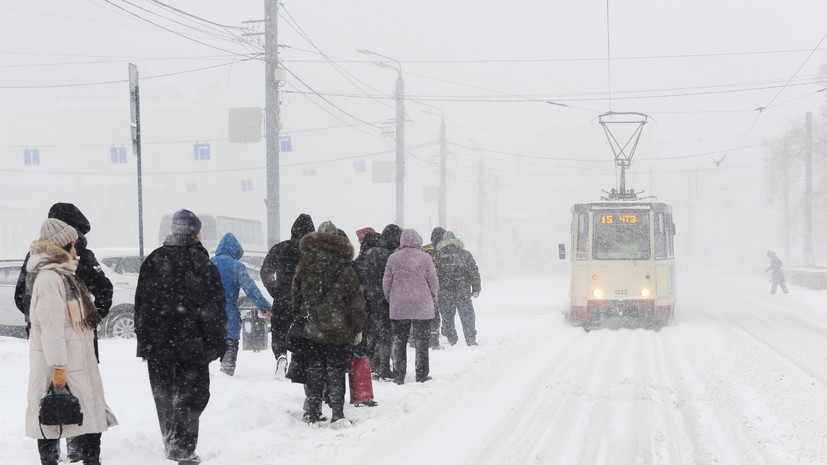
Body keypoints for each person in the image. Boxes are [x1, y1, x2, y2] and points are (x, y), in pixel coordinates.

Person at [15, 203, 114, 463]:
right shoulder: (51, 276)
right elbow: (51, 326)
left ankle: (81, 454)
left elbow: (22, 300)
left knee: (74, 409)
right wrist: (58, 366)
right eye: (72, 244)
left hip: (73, 349)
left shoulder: (58, 270)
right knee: (58, 410)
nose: (77, 249)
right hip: (60, 355)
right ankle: (74, 455)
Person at [134, 210, 226, 465]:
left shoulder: (153, 260)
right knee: (192, 395)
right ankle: (182, 447)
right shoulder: (203, 264)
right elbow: (215, 310)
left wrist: (145, 339)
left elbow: (141, 305)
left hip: (159, 345)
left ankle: (170, 440)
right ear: (196, 233)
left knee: (163, 393)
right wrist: (216, 343)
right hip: (192, 345)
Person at [292, 221, 366, 428]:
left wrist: (303, 313)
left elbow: (295, 294)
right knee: (335, 370)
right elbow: (356, 300)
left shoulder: (306, 262)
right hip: (338, 327)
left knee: (314, 369)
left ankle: (314, 413)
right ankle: (337, 414)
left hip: (313, 327)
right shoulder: (344, 265)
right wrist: (357, 326)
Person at [260, 213, 315, 375]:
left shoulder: (280, 248)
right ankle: (300, 364)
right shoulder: (312, 251)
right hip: (304, 300)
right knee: (303, 333)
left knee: (279, 330)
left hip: (283, 298)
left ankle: (281, 355)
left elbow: (265, 271)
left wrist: (275, 290)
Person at [211, 233, 272, 376]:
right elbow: (251, 290)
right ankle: (226, 377)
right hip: (229, 317)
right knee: (229, 355)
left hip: (209, 318)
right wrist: (265, 307)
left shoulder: (209, 262)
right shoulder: (237, 266)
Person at [383, 229, 439, 384]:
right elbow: (433, 281)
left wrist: (391, 299)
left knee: (399, 341)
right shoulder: (425, 258)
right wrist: (433, 298)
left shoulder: (393, 258)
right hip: (422, 304)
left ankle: (399, 374)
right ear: (418, 241)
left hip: (399, 305)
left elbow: (386, 283)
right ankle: (421, 374)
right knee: (422, 342)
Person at [361, 224, 402, 380]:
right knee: (385, 334)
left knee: (371, 333)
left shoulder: (370, 252)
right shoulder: (390, 256)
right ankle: (383, 368)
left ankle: (372, 366)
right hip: (385, 298)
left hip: (369, 297)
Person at [436, 231, 481, 346]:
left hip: (445, 292)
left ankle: (452, 339)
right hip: (463, 291)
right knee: (467, 316)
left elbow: (435, 274)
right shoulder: (465, 254)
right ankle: (470, 339)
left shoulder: (438, 255)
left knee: (448, 317)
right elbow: (473, 272)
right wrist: (476, 287)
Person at [420, 226, 446, 349]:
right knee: (437, 313)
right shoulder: (444, 251)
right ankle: (435, 338)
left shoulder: (424, 249)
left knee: (425, 314)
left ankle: (418, 338)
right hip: (440, 286)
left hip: (423, 287)